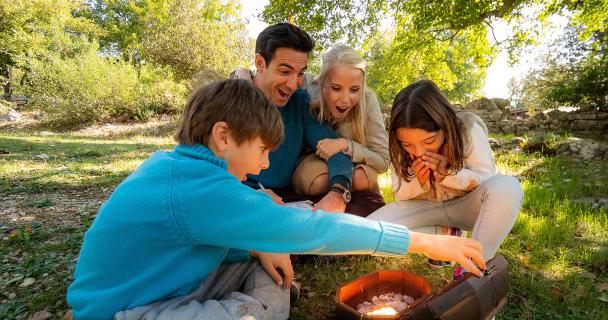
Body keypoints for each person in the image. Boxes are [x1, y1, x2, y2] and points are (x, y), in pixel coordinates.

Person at [66, 79, 486, 320]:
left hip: (177, 279)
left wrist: (258, 241)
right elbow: (317, 230)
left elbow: (204, 232)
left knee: (276, 246)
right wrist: (426, 242)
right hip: (127, 309)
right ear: (223, 136)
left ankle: (254, 288)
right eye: (263, 150)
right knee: (268, 306)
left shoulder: (179, 167)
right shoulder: (200, 188)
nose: (263, 165)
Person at [368, 80, 522, 279]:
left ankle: (471, 269)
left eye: (429, 141)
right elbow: (399, 194)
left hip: (468, 208)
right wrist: (418, 180)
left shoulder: (467, 128)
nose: (419, 152)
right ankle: (446, 235)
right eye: (408, 144)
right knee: (370, 234)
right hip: (427, 209)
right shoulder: (399, 147)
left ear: (445, 125)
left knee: (508, 187)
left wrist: (448, 175)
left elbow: (487, 179)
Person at [235, 23, 384, 217]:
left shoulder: (298, 101)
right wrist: (251, 195)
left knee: (366, 208)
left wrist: (338, 192)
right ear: (260, 63)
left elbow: (335, 151)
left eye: (300, 73)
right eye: (285, 71)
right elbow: (208, 172)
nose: (293, 83)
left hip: (287, 198)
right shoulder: (230, 100)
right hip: (240, 195)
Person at [290, 44, 389, 203]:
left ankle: (360, 203)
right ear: (321, 82)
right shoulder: (307, 88)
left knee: (360, 178)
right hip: (315, 160)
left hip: (356, 161)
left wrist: (346, 145)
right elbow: (269, 75)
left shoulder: (368, 101)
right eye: (336, 88)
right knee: (320, 182)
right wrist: (242, 73)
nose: (345, 99)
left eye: (354, 89)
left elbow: (384, 162)